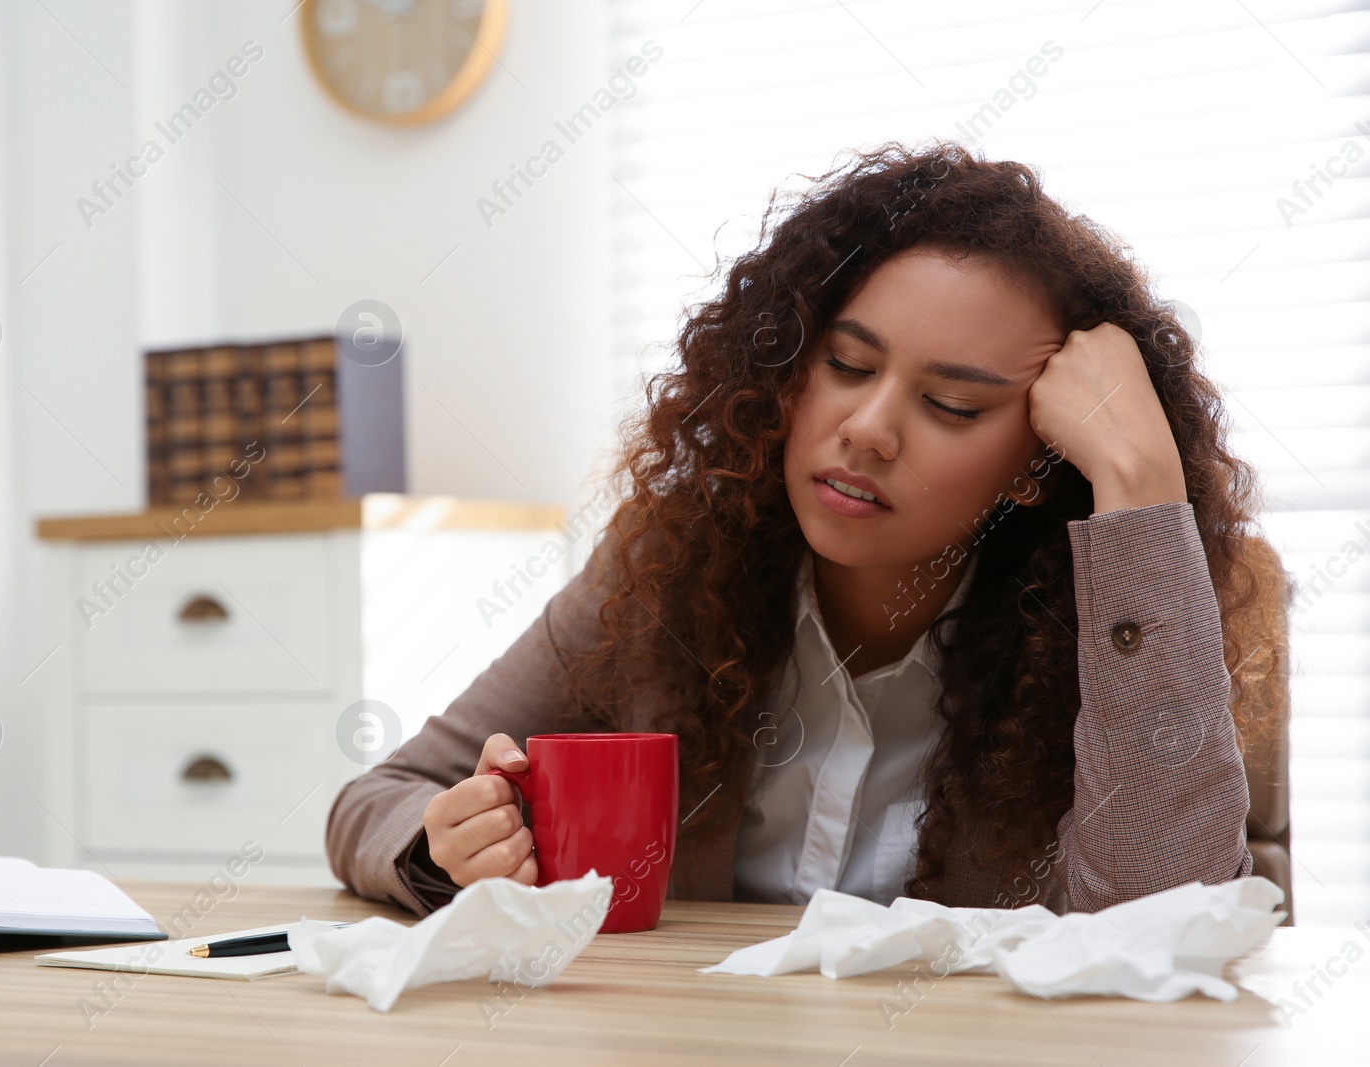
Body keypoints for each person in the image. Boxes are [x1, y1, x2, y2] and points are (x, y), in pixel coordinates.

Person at [325, 140, 1291, 919]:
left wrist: (1139, 482)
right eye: (846, 364)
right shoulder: (667, 562)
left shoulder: (1148, 605)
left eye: (953, 404)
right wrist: (445, 845)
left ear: (1042, 459)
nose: (868, 430)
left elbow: (1169, 926)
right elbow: (382, 795)